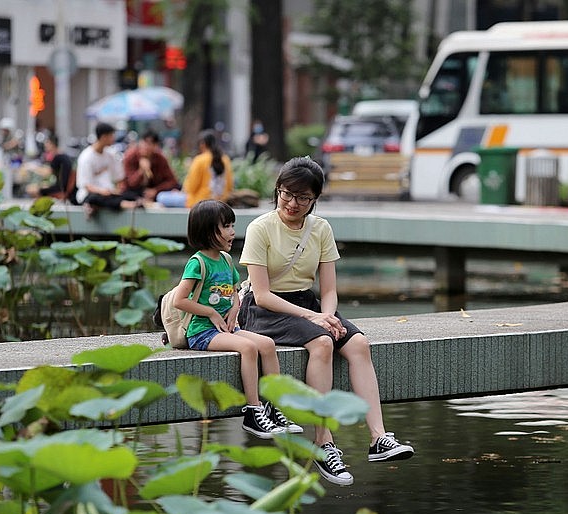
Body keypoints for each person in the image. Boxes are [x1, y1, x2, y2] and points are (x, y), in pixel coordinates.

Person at [238, 156, 414, 486]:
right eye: (286, 194)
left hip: (310, 304)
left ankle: (379, 438)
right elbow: (261, 295)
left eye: (303, 197)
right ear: (277, 190)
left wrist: (328, 315)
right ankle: (324, 442)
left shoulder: (320, 229)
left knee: (358, 342)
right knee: (321, 342)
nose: (292, 203)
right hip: (266, 310)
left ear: (315, 199)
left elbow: (329, 288)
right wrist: (316, 319)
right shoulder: (260, 228)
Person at [173, 199, 303, 438]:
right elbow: (179, 300)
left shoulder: (226, 260)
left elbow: (234, 291)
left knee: (267, 344)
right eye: (226, 226)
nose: (232, 232)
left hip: (226, 329)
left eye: (232, 225)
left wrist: (234, 308)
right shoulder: (198, 262)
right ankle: (253, 411)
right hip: (202, 332)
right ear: (208, 230)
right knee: (248, 347)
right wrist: (211, 312)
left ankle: (273, 407)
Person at [75, 122, 141, 216]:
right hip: (90, 194)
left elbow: (119, 178)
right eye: (111, 136)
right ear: (103, 137)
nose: (113, 139)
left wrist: (118, 189)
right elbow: (85, 185)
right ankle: (125, 204)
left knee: (130, 194)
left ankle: (99, 206)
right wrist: (102, 191)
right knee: (95, 198)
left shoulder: (111, 154)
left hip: (109, 192)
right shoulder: (86, 157)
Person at [120, 129, 180, 203]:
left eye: (149, 144)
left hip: (153, 190)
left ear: (155, 146)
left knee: (176, 189)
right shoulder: (130, 156)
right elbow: (130, 183)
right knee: (127, 195)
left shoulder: (160, 158)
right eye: (144, 142)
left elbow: (172, 181)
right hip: (133, 191)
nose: (145, 146)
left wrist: (155, 190)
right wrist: (141, 171)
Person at [182, 129, 233, 208]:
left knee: (162, 197)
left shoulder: (199, 160)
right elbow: (229, 186)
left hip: (199, 203)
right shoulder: (225, 159)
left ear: (203, 144)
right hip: (222, 203)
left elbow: (191, 187)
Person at [27, 133, 77, 203]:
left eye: (47, 143)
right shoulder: (62, 155)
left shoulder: (57, 157)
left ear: (52, 144)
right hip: (63, 187)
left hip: (61, 189)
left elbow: (47, 173)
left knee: (32, 190)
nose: (45, 145)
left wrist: (33, 168)